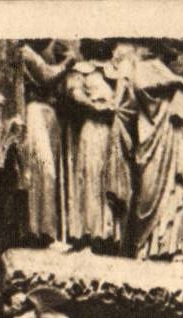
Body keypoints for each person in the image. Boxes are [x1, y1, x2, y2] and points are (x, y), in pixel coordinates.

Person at [63, 44, 135, 254]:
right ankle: (90, 231)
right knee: (91, 175)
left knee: (110, 179)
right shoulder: (81, 69)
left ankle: (109, 233)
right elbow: (75, 93)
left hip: (111, 130)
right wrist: (94, 106)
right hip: (92, 127)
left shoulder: (115, 69)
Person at [131, 41, 183, 261]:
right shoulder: (144, 67)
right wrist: (174, 82)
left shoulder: (172, 76)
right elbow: (141, 88)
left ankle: (171, 246)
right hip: (153, 138)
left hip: (172, 136)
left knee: (176, 191)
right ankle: (145, 245)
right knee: (149, 188)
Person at [18, 41, 73, 244]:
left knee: (52, 173)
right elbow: (46, 75)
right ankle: (38, 230)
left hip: (50, 114)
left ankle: (50, 231)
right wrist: (68, 63)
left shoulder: (42, 52)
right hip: (35, 111)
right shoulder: (26, 52)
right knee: (43, 169)